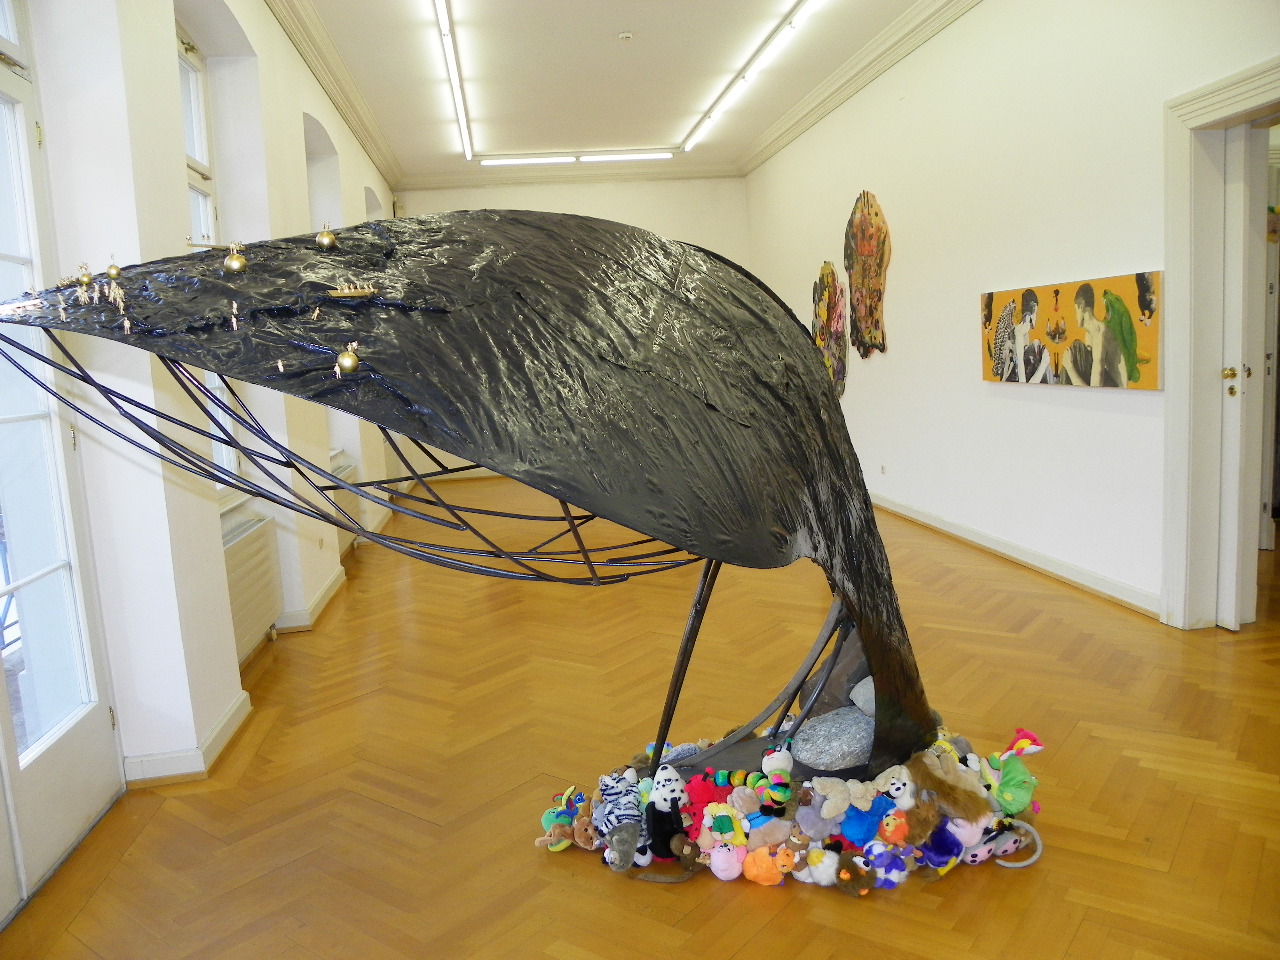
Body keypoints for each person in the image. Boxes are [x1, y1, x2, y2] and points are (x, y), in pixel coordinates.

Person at [1060, 283, 1126, 388]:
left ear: (1081, 306)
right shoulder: (1089, 335)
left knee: (1076, 347)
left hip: (1115, 391)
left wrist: (1070, 368)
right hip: (1105, 387)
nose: (1075, 316)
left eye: (1076, 310)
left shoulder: (1100, 334)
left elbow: (1095, 388)